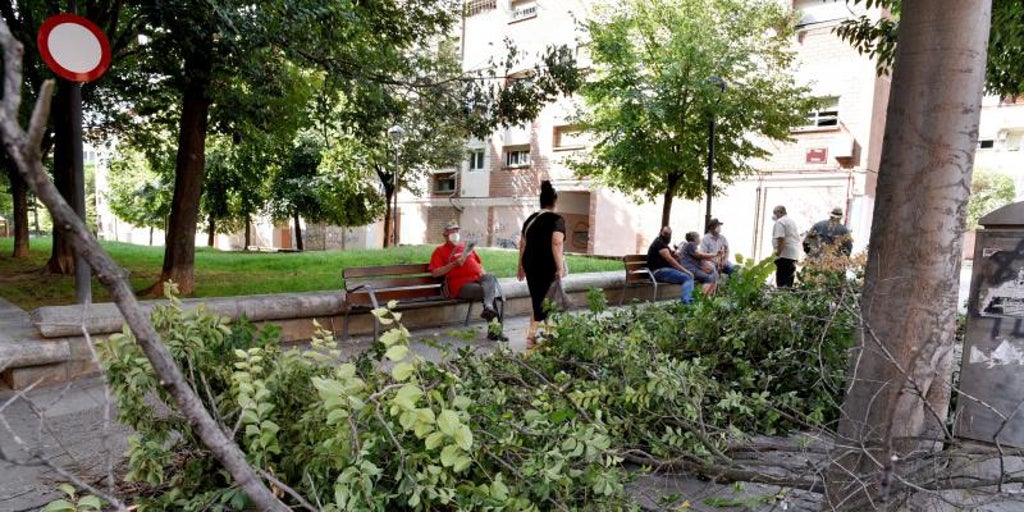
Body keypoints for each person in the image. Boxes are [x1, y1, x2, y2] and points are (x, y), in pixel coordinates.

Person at [429, 219, 506, 341]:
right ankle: (495, 331)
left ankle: (488, 308)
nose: (455, 233)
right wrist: (454, 264)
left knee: (490, 278)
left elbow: (478, 265)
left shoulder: (465, 247)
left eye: (457, 230)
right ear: (445, 233)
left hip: (477, 279)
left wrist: (483, 275)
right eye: (452, 230)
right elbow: (435, 273)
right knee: (487, 292)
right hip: (461, 286)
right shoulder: (440, 251)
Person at [517, 180, 566, 348]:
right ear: (554, 201)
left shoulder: (530, 219)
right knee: (543, 301)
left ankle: (547, 334)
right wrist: (560, 267)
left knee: (539, 299)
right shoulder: (557, 219)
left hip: (530, 263)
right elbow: (556, 243)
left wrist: (520, 267)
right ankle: (532, 337)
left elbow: (523, 244)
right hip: (546, 265)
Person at [645, 226, 695, 304]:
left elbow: (671, 257)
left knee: (689, 276)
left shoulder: (663, 243)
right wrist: (685, 271)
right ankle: (686, 302)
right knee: (687, 278)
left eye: (669, 234)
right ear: (660, 233)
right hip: (657, 272)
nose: (667, 236)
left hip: (663, 271)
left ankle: (687, 299)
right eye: (665, 233)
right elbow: (670, 260)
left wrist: (676, 255)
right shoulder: (659, 243)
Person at [771, 205, 801, 288]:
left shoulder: (780, 222)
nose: (774, 215)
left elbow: (781, 239)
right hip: (793, 255)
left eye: (775, 213)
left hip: (784, 255)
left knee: (781, 282)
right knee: (789, 282)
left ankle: (781, 295)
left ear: (780, 212)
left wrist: (777, 254)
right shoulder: (791, 222)